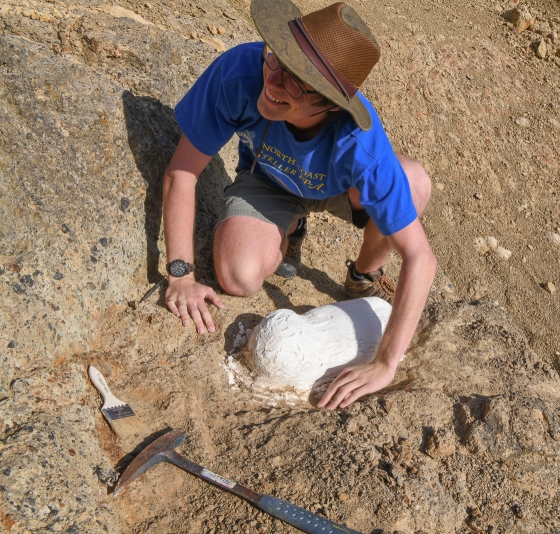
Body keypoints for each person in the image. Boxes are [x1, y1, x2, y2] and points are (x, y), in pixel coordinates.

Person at [161, 0, 437, 410]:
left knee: (413, 182)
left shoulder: (359, 145)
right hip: (267, 179)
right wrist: (180, 274)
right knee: (238, 277)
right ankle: (289, 227)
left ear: (330, 104)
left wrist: (384, 363)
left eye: (297, 84)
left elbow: (420, 257)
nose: (273, 82)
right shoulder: (241, 72)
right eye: (276, 60)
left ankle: (363, 275)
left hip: (340, 189)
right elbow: (182, 172)